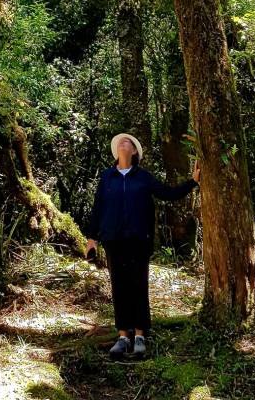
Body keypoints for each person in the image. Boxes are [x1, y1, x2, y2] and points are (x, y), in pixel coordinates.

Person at [85, 132, 200, 359]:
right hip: (113, 239)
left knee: (138, 286)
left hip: (139, 239)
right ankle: (122, 336)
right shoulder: (107, 177)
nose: (123, 143)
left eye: (128, 142)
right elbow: (98, 208)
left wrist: (192, 182)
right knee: (119, 287)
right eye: (121, 142)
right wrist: (92, 239)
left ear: (135, 152)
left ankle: (139, 335)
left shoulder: (143, 177)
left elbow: (168, 194)